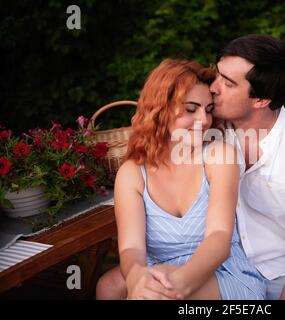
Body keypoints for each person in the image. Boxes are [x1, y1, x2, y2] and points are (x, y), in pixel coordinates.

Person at [97, 34, 285, 300]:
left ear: (260, 100)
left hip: (280, 275)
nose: (213, 87)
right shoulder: (211, 129)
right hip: (201, 265)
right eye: (218, 74)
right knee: (113, 286)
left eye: (228, 83)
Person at [97, 58, 266, 300]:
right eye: (191, 109)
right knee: (108, 287)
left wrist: (178, 284)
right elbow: (131, 247)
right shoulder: (132, 173)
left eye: (208, 110)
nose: (204, 121)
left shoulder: (219, 156)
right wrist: (135, 277)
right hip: (160, 265)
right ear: (160, 109)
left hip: (220, 271)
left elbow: (219, 238)